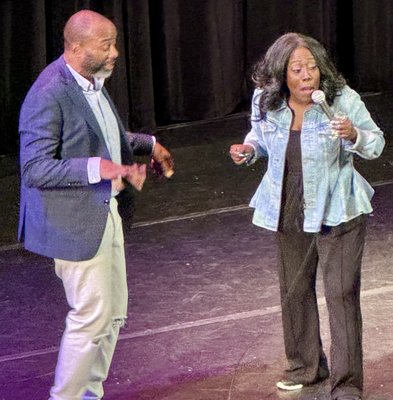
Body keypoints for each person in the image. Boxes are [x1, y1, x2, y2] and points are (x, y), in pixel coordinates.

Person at [18, 9, 174, 400]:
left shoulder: (90, 81)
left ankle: (90, 395)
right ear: (76, 47)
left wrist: (148, 145)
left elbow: (107, 133)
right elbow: (35, 168)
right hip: (75, 221)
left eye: (114, 43)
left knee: (112, 314)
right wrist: (97, 167)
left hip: (105, 212)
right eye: (106, 45)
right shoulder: (49, 93)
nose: (116, 53)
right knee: (91, 316)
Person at [230, 33, 384, 400]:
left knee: (341, 293)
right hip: (288, 200)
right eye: (297, 69)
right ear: (281, 74)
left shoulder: (342, 99)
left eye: (312, 67)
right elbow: (260, 136)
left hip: (337, 203)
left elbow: (376, 144)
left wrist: (354, 134)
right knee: (294, 289)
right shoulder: (265, 100)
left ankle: (347, 384)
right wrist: (249, 149)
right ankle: (305, 368)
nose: (306, 76)